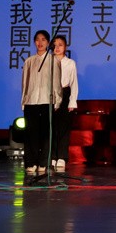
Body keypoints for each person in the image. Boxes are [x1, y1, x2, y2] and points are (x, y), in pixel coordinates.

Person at [20, 30, 61, 174]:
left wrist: (57, 100)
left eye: (43, 39)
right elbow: (24, 83)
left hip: (46, 100)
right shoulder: (29, 61)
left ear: (48, 42)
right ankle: (31, 162)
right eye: (37, 39)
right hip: (31, 101)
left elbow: (57, 82)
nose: (40, 42)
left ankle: (43, 162)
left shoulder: (53, 60)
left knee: (45, 134)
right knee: (31, 133)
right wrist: (24, 100)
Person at [51, 35, 78, 171]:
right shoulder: (48, 61)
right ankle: (52, 156)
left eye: (60, 45)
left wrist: (72, 101)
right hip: (50, 95)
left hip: (65, 93)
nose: (57, 48)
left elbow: (74, 83)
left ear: (65, 47)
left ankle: (61, 156)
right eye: (55, 45)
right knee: (51, 127)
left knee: (63, 127)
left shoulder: (70, 63)